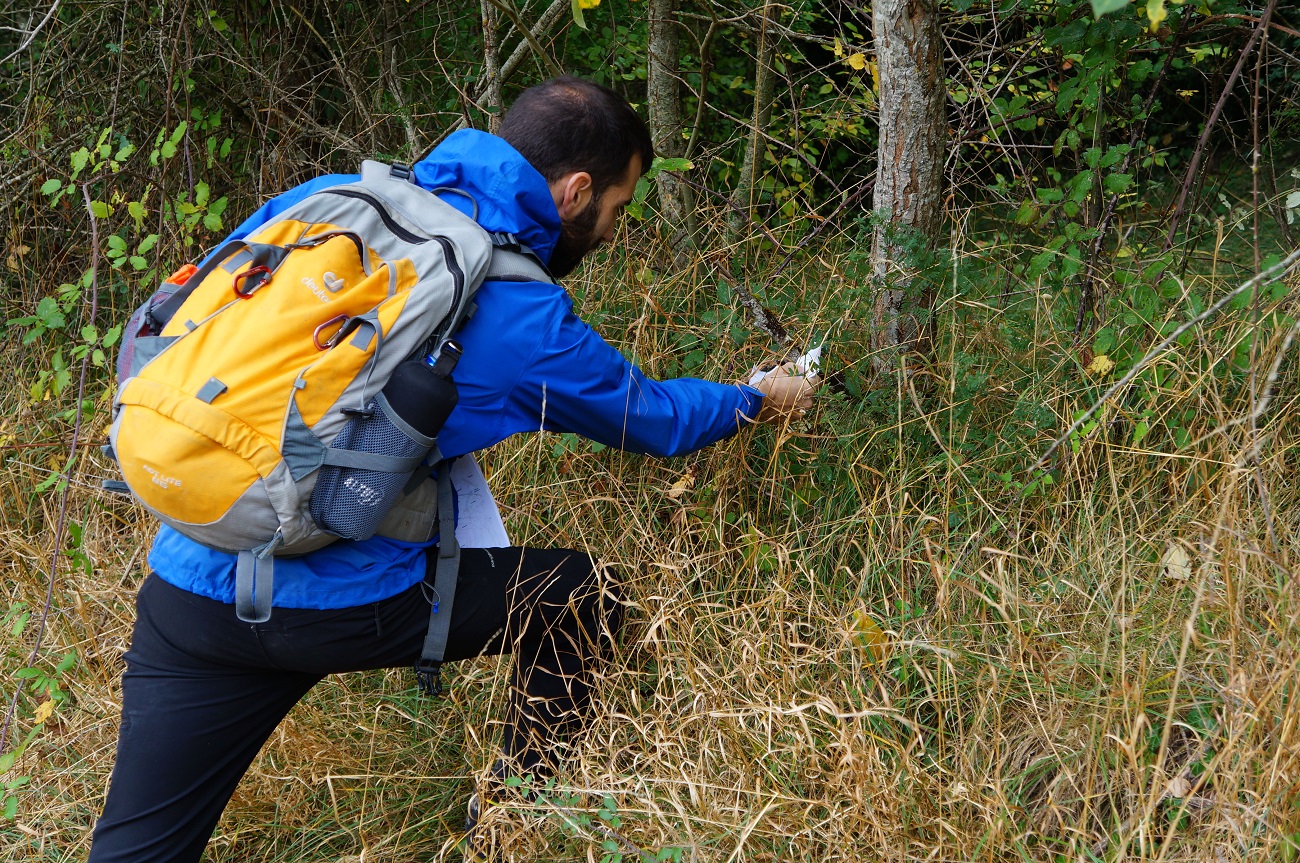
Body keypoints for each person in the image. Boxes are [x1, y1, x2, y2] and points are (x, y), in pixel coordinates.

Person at [88, 76, 815, 863]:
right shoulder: (517, 309)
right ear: (574, 193)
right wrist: (754, 397)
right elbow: (656, 419)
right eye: (617, 208)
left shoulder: (333, 196)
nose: (613, 230)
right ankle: (510, 822)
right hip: (340, 599)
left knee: (137, 850)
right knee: (582, 595)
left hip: (191, 577)